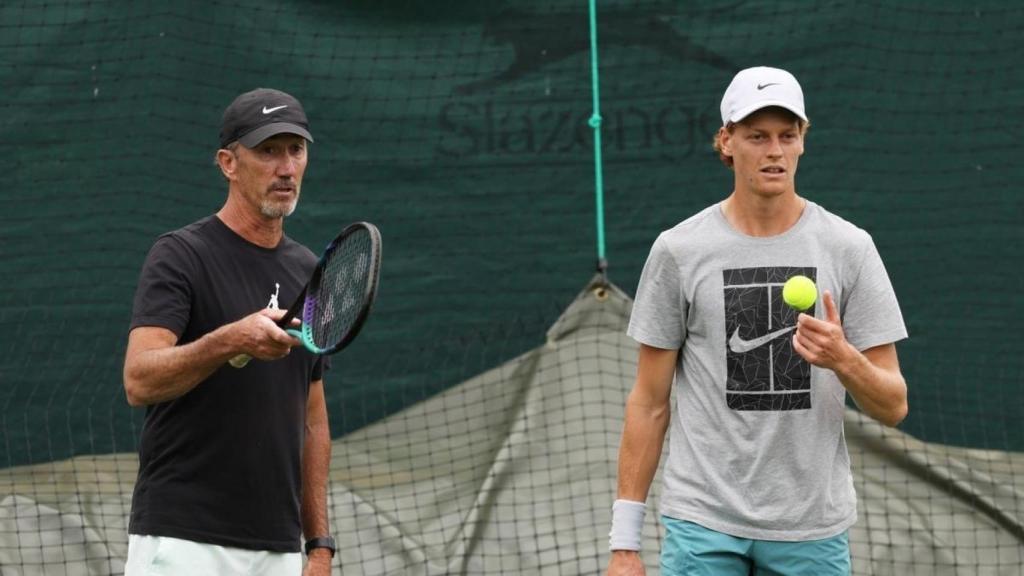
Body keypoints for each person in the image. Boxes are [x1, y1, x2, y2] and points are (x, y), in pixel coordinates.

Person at [606, 67, 909, 575]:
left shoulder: (850, 248)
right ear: (726, 142)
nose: (775, 151)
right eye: (757, 136)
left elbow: (894, 405)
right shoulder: (679, 250)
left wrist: (843, 360)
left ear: (802, 143)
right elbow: (649, 402)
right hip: (702, 521)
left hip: (812, 527)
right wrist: (624, 544)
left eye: (787, 136)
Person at [122, 88, 334, 576]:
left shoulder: (310, 270)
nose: (285, 167)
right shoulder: (179, 255)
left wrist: (318, 544)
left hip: (278, 548)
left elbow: (313, 419)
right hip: (183, 539)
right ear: (228, 163)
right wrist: (231, 340)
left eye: (295, 150)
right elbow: (139, 379)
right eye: (267, 150)